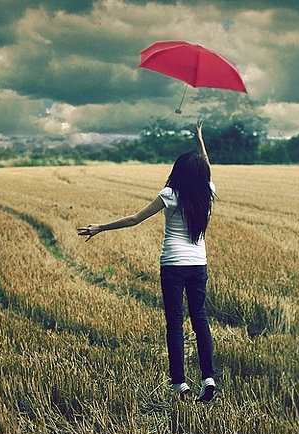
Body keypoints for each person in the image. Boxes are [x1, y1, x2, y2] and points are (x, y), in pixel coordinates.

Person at [77, 121, 216, 403]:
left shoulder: (170, 195)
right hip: (198, 264)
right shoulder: (207, 192)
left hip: (173, 266)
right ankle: (208, 379)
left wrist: (100, 227)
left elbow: (134, 219)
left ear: (178, 171)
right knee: (200, 320)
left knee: (175, 322)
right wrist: (200, 140)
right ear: (201, 173)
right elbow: (207, 168)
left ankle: (180, 384)